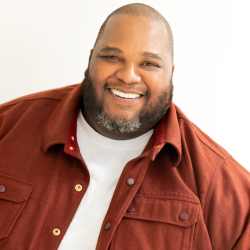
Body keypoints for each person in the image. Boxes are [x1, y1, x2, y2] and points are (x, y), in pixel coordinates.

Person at [0, 3, 249, 250]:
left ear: (170, 74)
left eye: (149, 63)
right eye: (112, 57)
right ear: (90, 60)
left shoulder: (222, 186)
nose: (128, 76)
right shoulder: (8, 126)